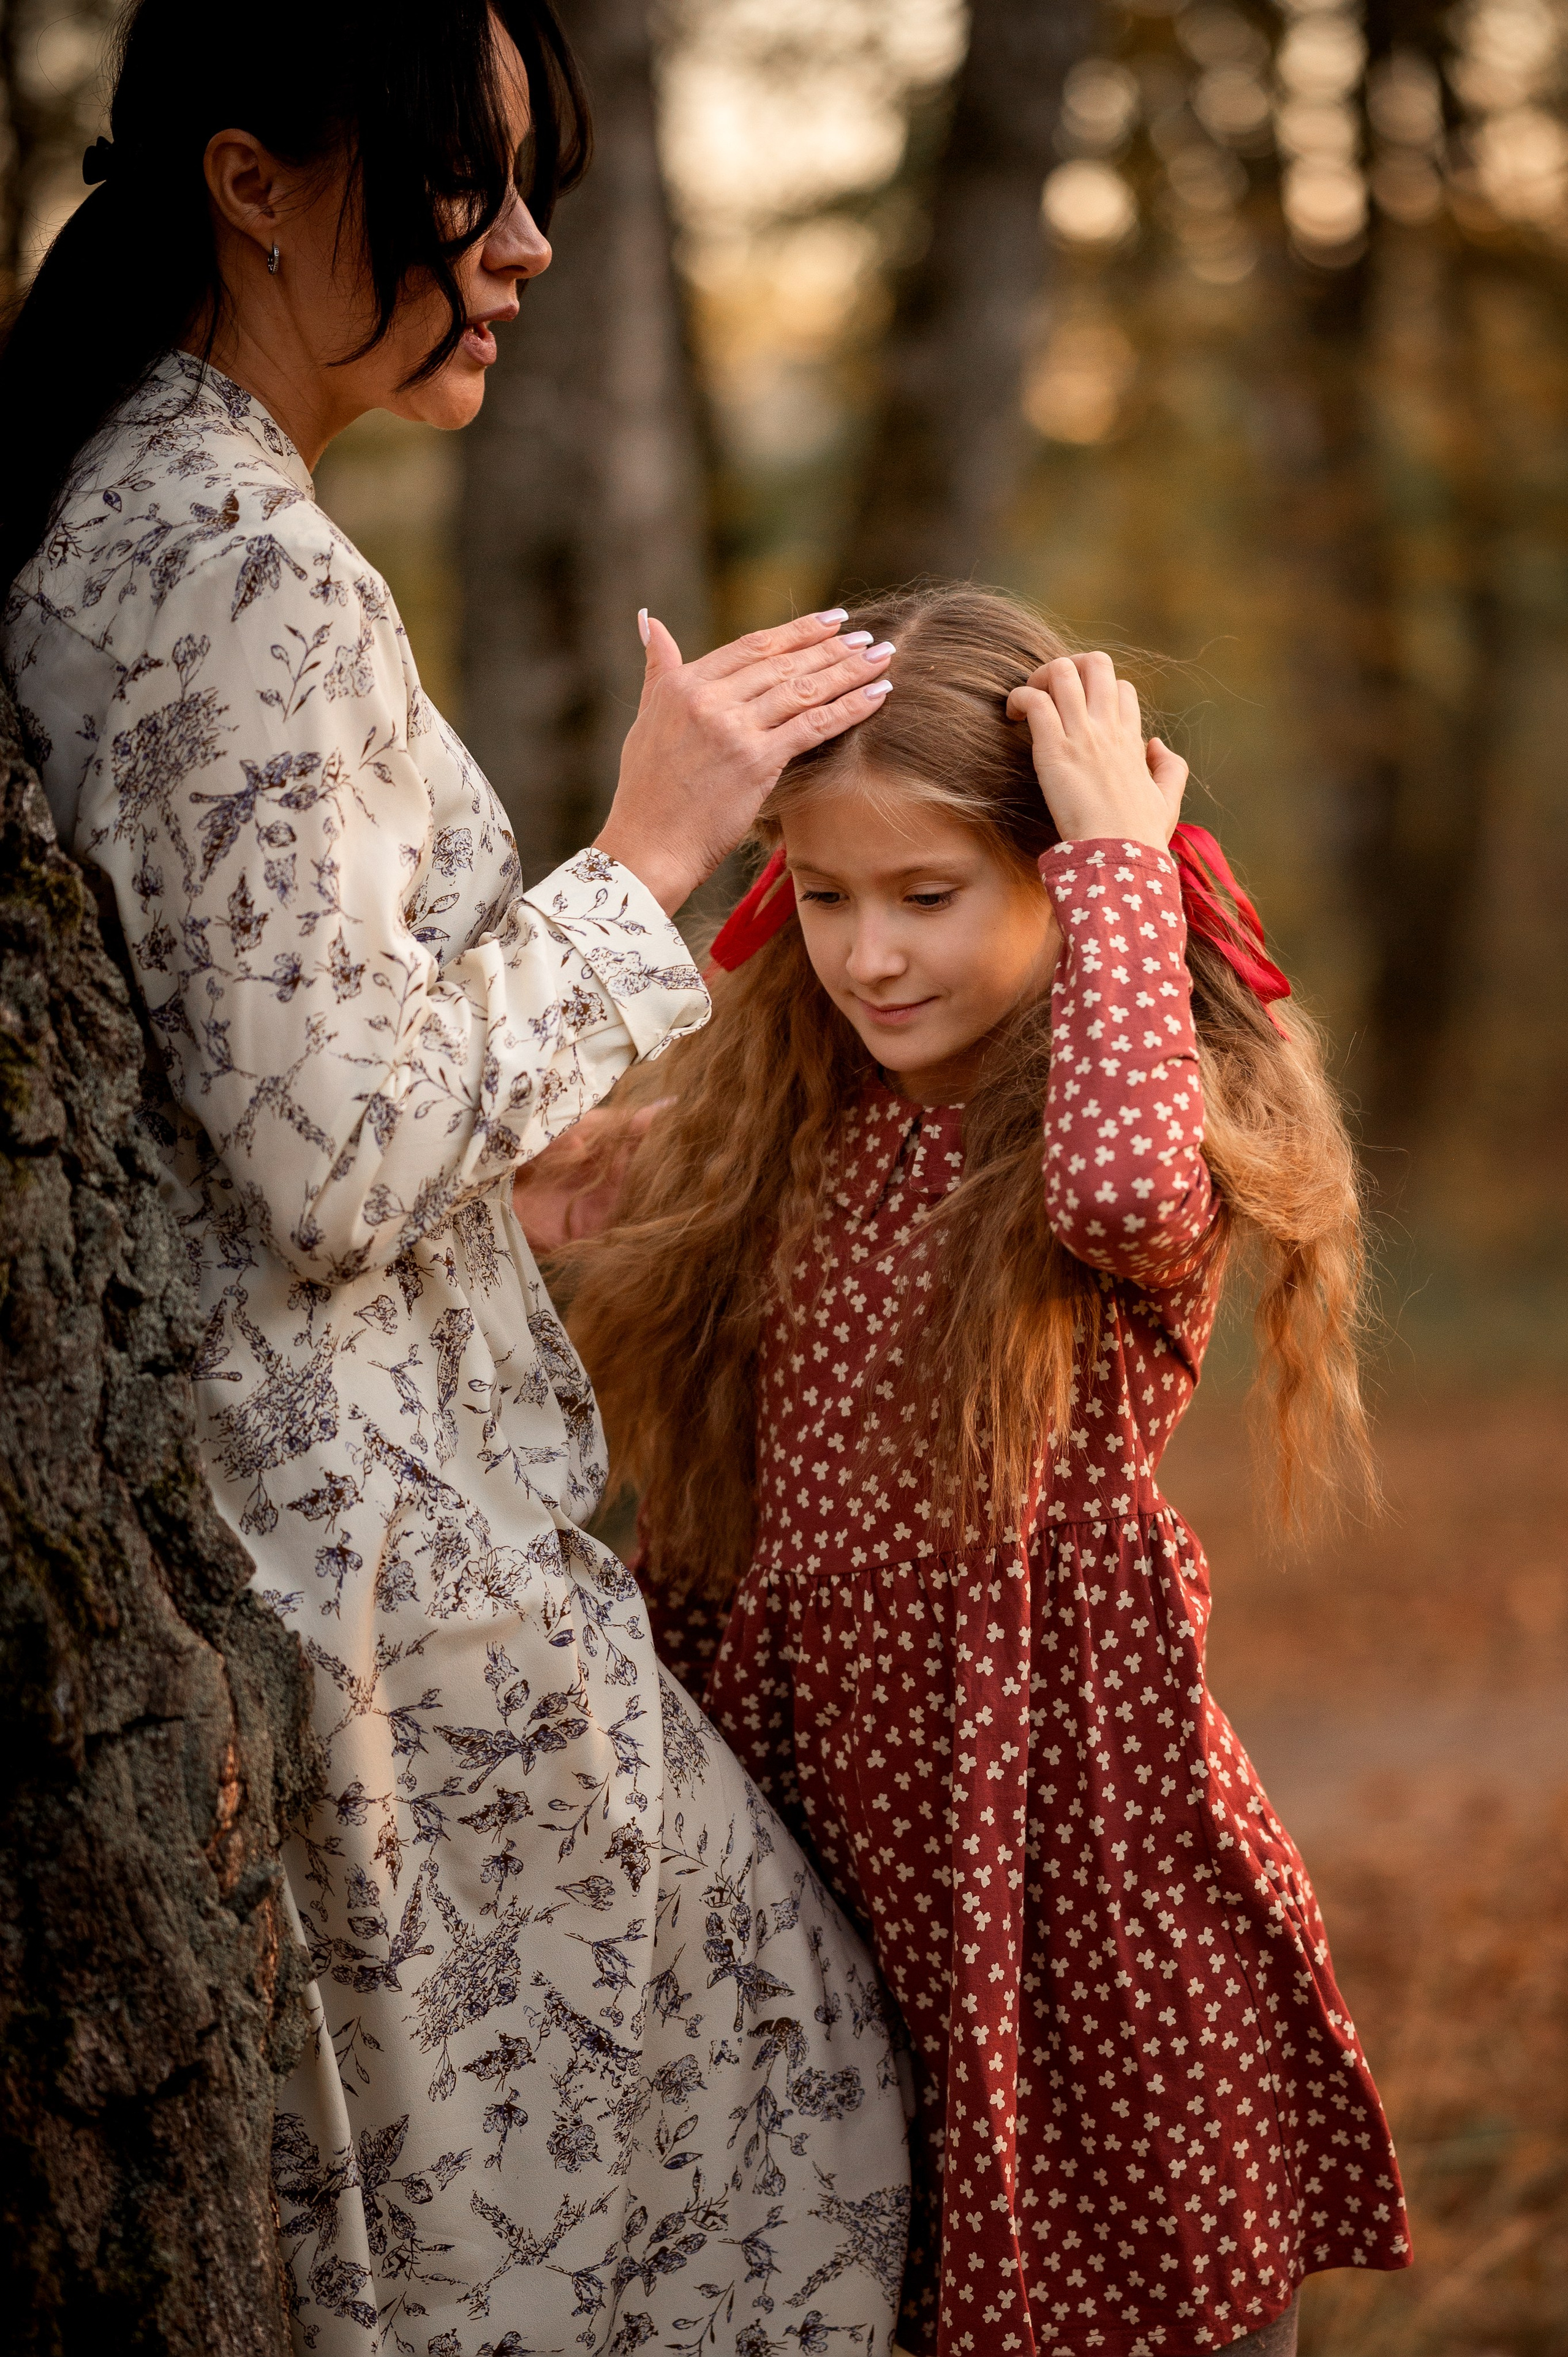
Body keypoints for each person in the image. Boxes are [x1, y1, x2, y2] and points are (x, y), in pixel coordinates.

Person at [0, 5, 911, 2350]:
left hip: (337, 1536)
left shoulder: (160, 513)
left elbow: (254, 1102)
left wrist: (520, 1175)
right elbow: (326, 1161)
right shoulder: (239, 566)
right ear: (251, 181)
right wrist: (649, 851)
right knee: (785, 2135)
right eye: (463, 179)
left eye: (532, 185)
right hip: (375, 1591)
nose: (522, 246)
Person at [557, 586, 1412, 2357]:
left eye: (929, 897)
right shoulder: (803, 1129)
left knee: (1138, 2259)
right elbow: (563, 1203)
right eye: (829, 897)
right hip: (829, 1822)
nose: (870, 955)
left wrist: (1121, 861)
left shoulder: (1121, 1134)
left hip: (1069, 1846)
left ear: (1058, 886)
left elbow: (1121, 1187)